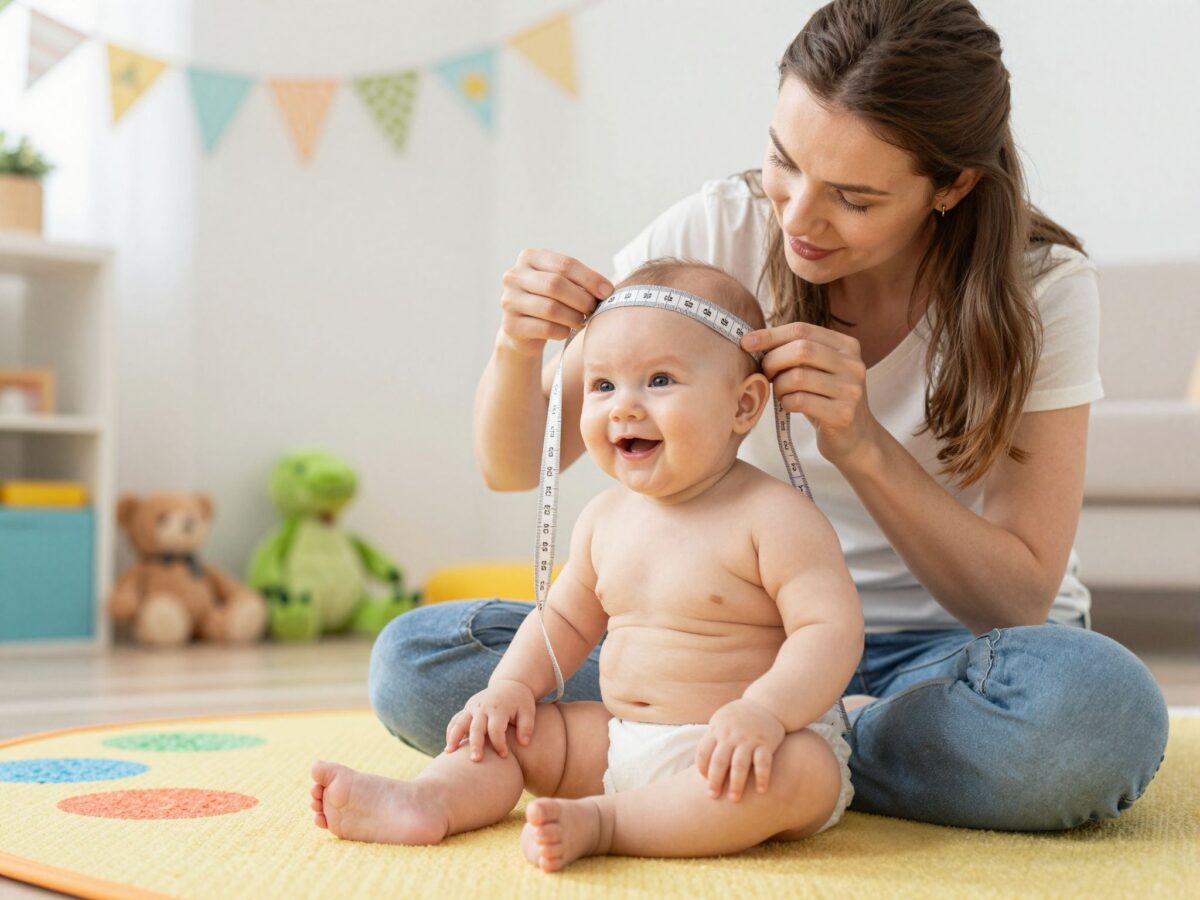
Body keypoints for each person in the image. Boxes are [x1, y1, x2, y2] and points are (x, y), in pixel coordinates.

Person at [370, 0, 1169, 831]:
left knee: (1094, 715)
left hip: (949, 659)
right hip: (720, 653)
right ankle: (771, 765)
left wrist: (862, 445)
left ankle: (775, 750)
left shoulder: (1042, 288)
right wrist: (515, 344)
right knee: (417, 664)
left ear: (953, 186)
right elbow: (510, 466)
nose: (795, 218)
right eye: (784, 161)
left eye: (853, 198)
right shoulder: (719, 230)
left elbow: (1019, 600)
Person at [311, 261, 863, 870]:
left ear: (744, 404)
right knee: (509, 732)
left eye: (659, 380)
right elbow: (563, 622)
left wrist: (766, 712)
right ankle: (430, 800)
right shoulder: (604, 518)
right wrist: (510, 688)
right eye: (602, 385)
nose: (623, 407)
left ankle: (607, 823)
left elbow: (828, 631)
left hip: (744, 746)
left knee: (802, 771)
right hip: (614, 740)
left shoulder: (775, 517)